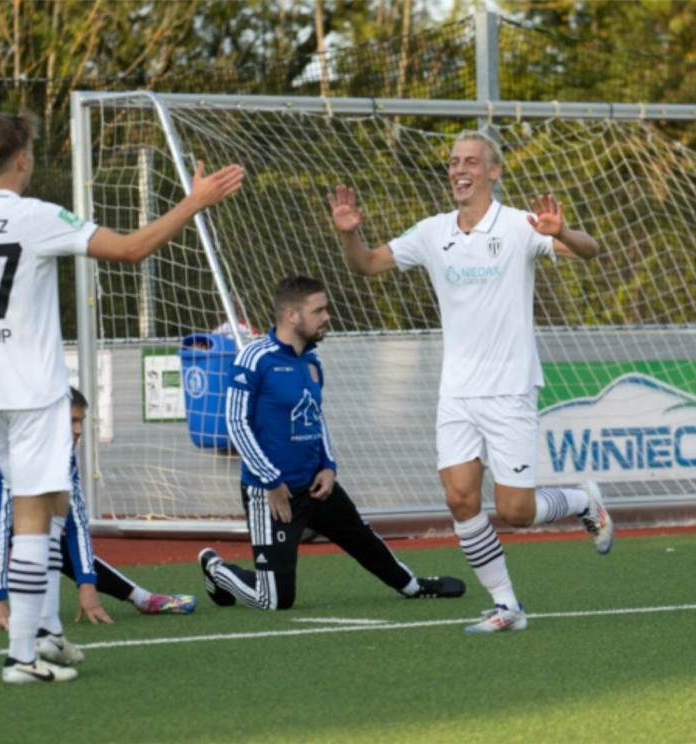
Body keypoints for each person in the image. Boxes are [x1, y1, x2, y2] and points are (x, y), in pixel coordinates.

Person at [0, 111, 243, 682]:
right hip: (32, 389)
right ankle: (21, 657)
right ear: (22, 158)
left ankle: (46, 633)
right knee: (32, 511)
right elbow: (129, 250)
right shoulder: (35, 215)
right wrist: (193, 202)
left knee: (48, 505)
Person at [326, 130, 614, 634]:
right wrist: (349, 233)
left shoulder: (521, 225)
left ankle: (584, 502)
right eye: (454, 161)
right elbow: (368, 264)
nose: (459, 169)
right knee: (460, 499)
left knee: (516, 512)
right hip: (456, 392)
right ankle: (507, 606)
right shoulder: (433, 232)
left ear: (493, 171)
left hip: (510, 389)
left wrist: (562, 232)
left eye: (471, 162)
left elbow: (591, 251)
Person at [198, 276, 465, 610]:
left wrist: (329, 465)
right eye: (319, 310)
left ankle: (412, 586)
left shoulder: (312, 361)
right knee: (274, 600)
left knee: (361, 537)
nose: (327, 317)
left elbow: (315, 416)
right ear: (292, 315)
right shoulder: (253, 358)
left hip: (315, 484)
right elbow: (236, 423)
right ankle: (216, 569)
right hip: (271, 493)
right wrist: (271, 480)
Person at [0, 389, 196, 643]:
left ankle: (144, 599)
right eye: (71, 421)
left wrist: (87, 585)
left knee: (51, 537)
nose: (77, 431)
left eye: (81, 421)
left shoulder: (63, 457)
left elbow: (75, 523)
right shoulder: (8, 449)